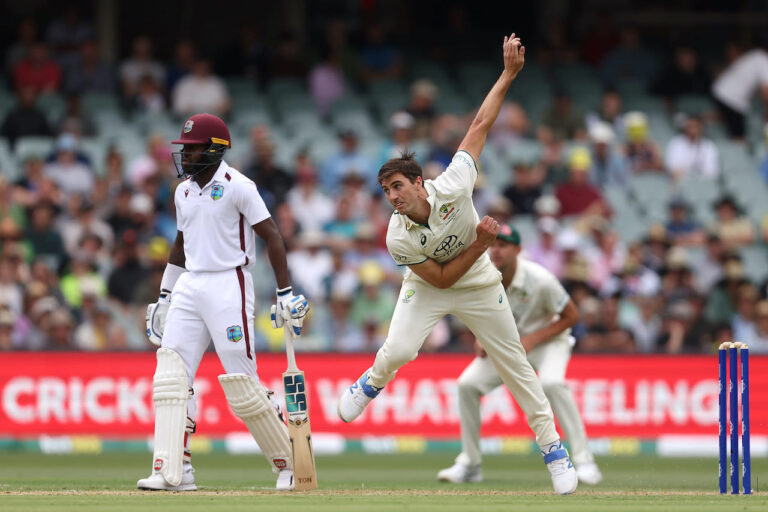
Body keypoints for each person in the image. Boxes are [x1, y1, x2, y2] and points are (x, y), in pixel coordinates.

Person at [336, 34, 579, 495]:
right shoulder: (395, 234)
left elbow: (482, 123)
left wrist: (508, 73)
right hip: (433, 284)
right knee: (401, 350)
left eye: (397, 187)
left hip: (480, 284)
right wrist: (483, 242)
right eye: (385, 191)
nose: (392, 197)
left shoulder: (453, 183)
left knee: (516, 365)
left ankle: (554, 451)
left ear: (419, 183)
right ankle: (371, 382)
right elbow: (443, 278)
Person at [137, 113, 309, 492]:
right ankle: (174, 471)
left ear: (215, 149)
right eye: (184, 148)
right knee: (171, 376)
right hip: (190, 285)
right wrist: (165, 295)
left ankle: (292, 463)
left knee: (242, 383)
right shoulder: (182, 191)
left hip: (229, 283)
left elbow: (273, 236)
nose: (186, 155)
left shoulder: (238, 185)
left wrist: (284, 292)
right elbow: (181, 246)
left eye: (194, 148)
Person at [437, 224, 602, 485]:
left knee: (552, 383)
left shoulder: (541, 280)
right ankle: (470, 464)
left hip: (548, 343)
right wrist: (481, 337)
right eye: (492, 245)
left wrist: (533, 339)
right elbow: (475, 312)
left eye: (503, 245)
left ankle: (583, 461)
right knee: (467, 385)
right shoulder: (482, 276)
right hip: (509, 347)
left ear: (518, 250)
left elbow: (572, 316)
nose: (496, 251)